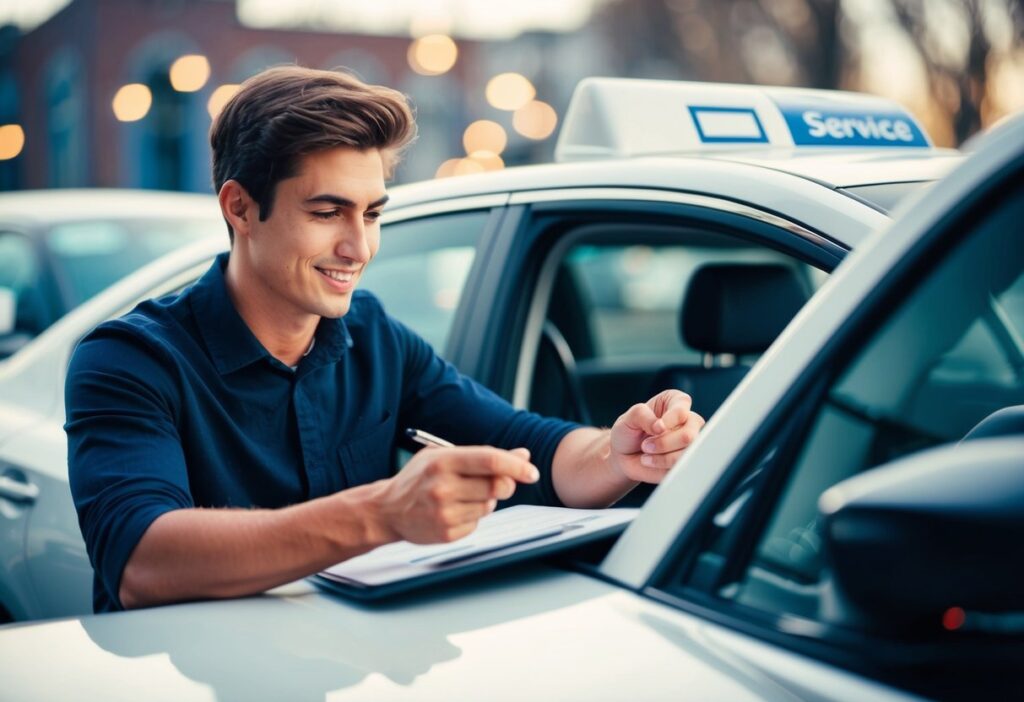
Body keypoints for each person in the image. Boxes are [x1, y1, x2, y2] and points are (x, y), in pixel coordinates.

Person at [65, 66, 705, 614]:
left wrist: (620, 455)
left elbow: (529, 446)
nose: (359, 246)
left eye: (371, 213)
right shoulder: (128, 359)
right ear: (239, 208)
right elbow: (140, 563)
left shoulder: (371, 334)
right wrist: (382, 514)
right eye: (327, 212)